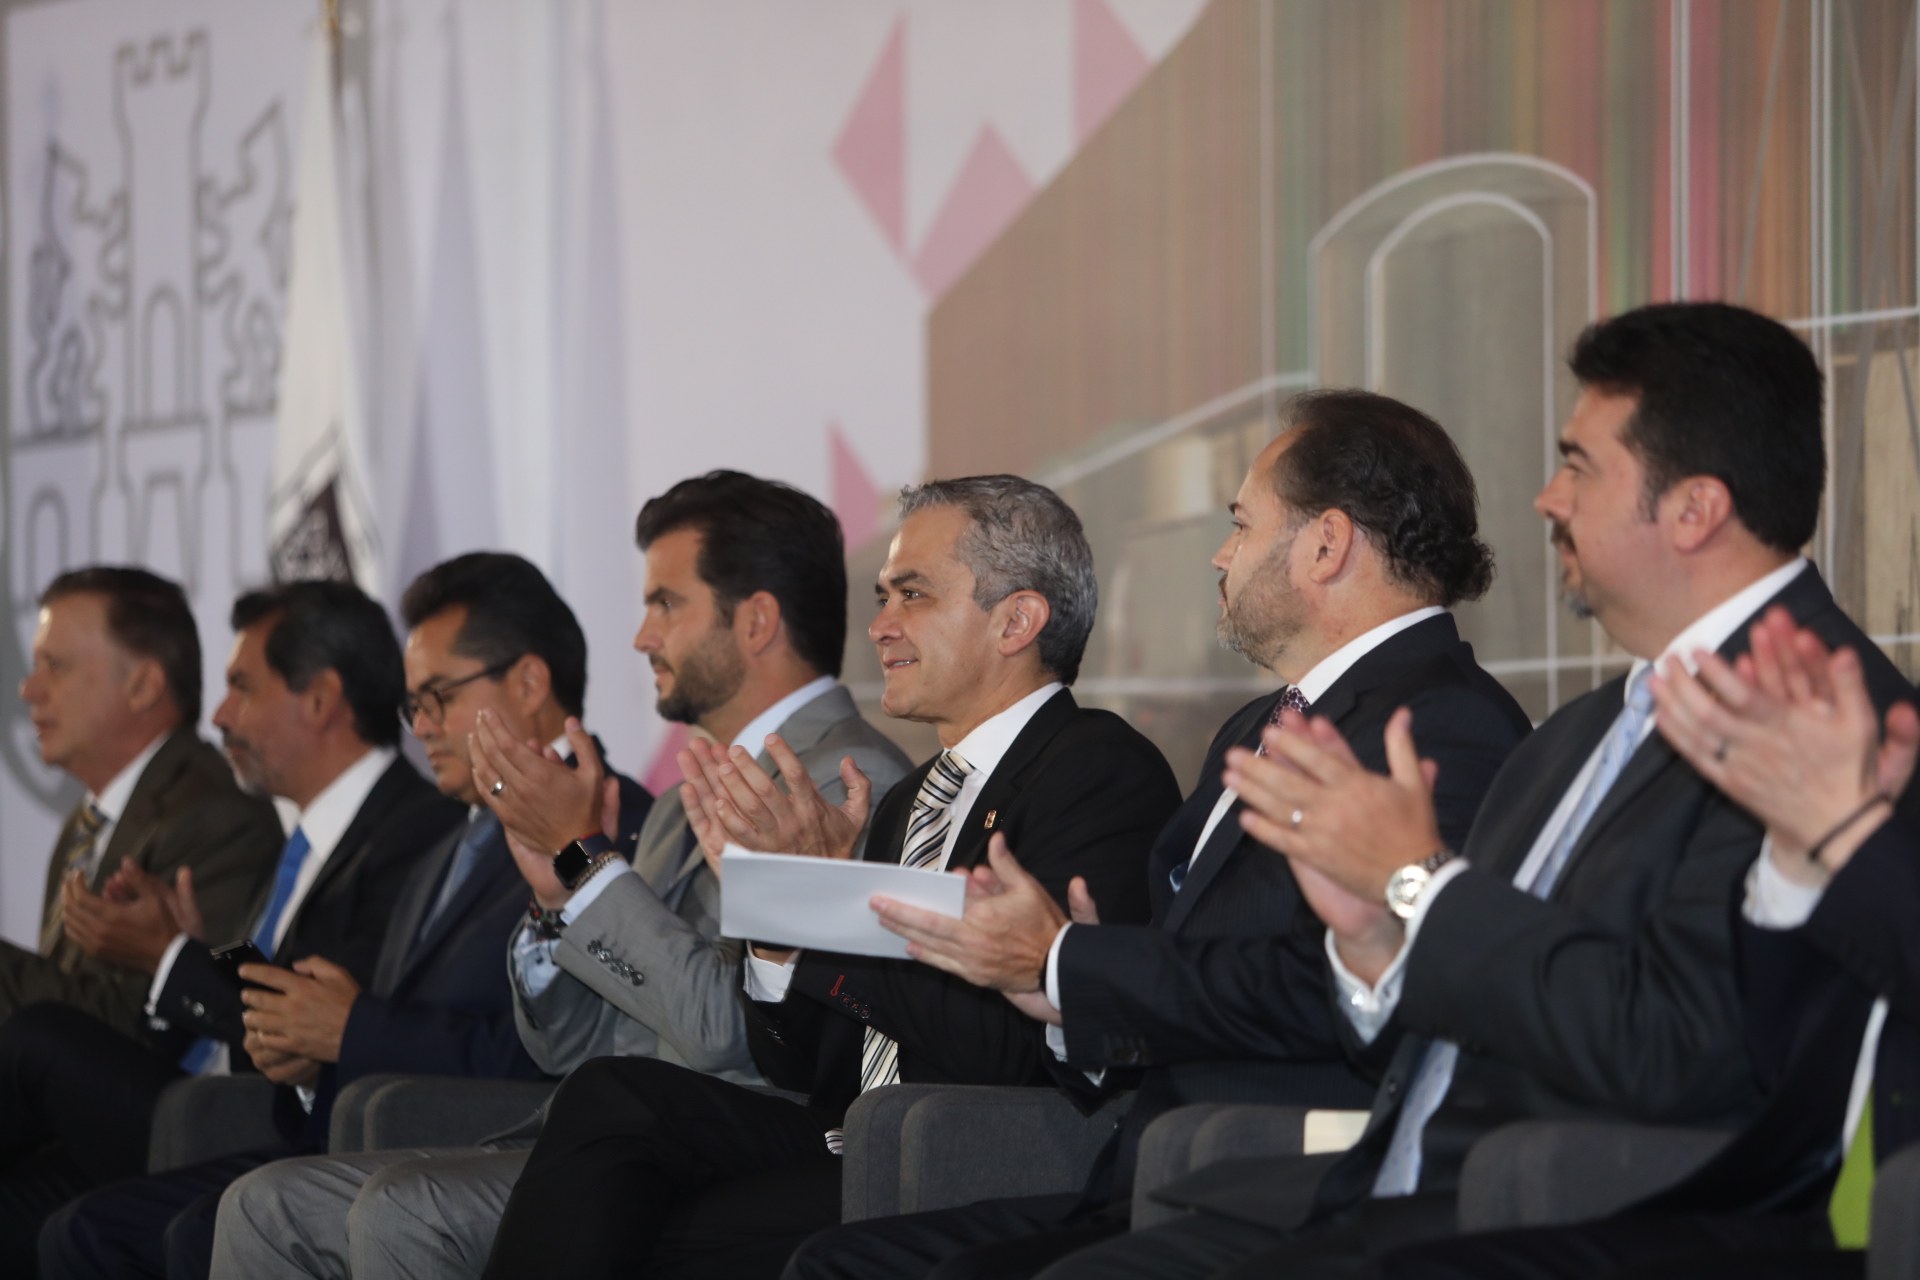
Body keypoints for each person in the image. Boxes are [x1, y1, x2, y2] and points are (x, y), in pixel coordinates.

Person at [1028, 301, 1920, 1278]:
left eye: (1578, 466)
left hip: (1567, 1215)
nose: (1545, 498)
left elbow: (1679, 1053)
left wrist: (1416, 883)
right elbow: (1455, 1014)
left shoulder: (1823, 728)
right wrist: (1374, 945)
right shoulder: (1574, 737)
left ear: (1693, 508)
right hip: (1386, 1195)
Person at [788, 391, 1534, 1279]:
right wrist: (1063, 996)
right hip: (1149, 1165)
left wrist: (1067, 966)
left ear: (1326, 544)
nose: (1221, 554)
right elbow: (1190, 967)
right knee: (842, 1262)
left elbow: (1359, 987)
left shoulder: (1439, 725)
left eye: (1242, 525)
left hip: (1277, 1181)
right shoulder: (1262, 724)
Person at [478, 475, 1182, 1279]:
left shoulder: (1096, 768)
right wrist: (779, 931)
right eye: (882, 597)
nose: (880, 626)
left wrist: (823, 906)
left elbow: (1004, 1048)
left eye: (912, 594)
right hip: (858, 1128)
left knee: (654, 1224)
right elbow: (806, 1063)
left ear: (1016, 621)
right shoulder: (911, 799)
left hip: (977, 1144)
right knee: (614, 1100)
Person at [212, 476, 910, 1280]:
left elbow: (734, 1037)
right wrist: (554, 901)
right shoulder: (683, 800)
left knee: (403, 1208)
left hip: (725, 1155)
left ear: (755, 621)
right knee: (266, 1206)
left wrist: (587, 864)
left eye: (666, 604)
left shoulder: (845, 784)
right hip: (596, 1137)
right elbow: (573, 1045)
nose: (642, 637)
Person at [1366, 606, 1917, 1278]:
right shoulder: (1568, 737)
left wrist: (1848, 837)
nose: (1554, 528)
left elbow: (1680, 1050)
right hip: (1795, 1207)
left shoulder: (1865, 716)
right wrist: (1798, 864)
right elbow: (1779, 1052)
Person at [0, 579, 463, 1277]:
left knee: (37, 1042)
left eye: (242, 688)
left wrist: (171, 956)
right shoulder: (305, 833)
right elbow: (267, 980)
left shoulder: (415, 833)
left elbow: (318, 1014)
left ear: (320, 699)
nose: (219, 715)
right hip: (221, 1105)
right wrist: (191, 947)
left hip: (278, 1124)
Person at [11, 567, 282, 1036]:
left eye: (55, 665)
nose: (28, 690)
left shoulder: (216, 816)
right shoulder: (85, 822)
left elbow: (139, 1036)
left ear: (143, 686)